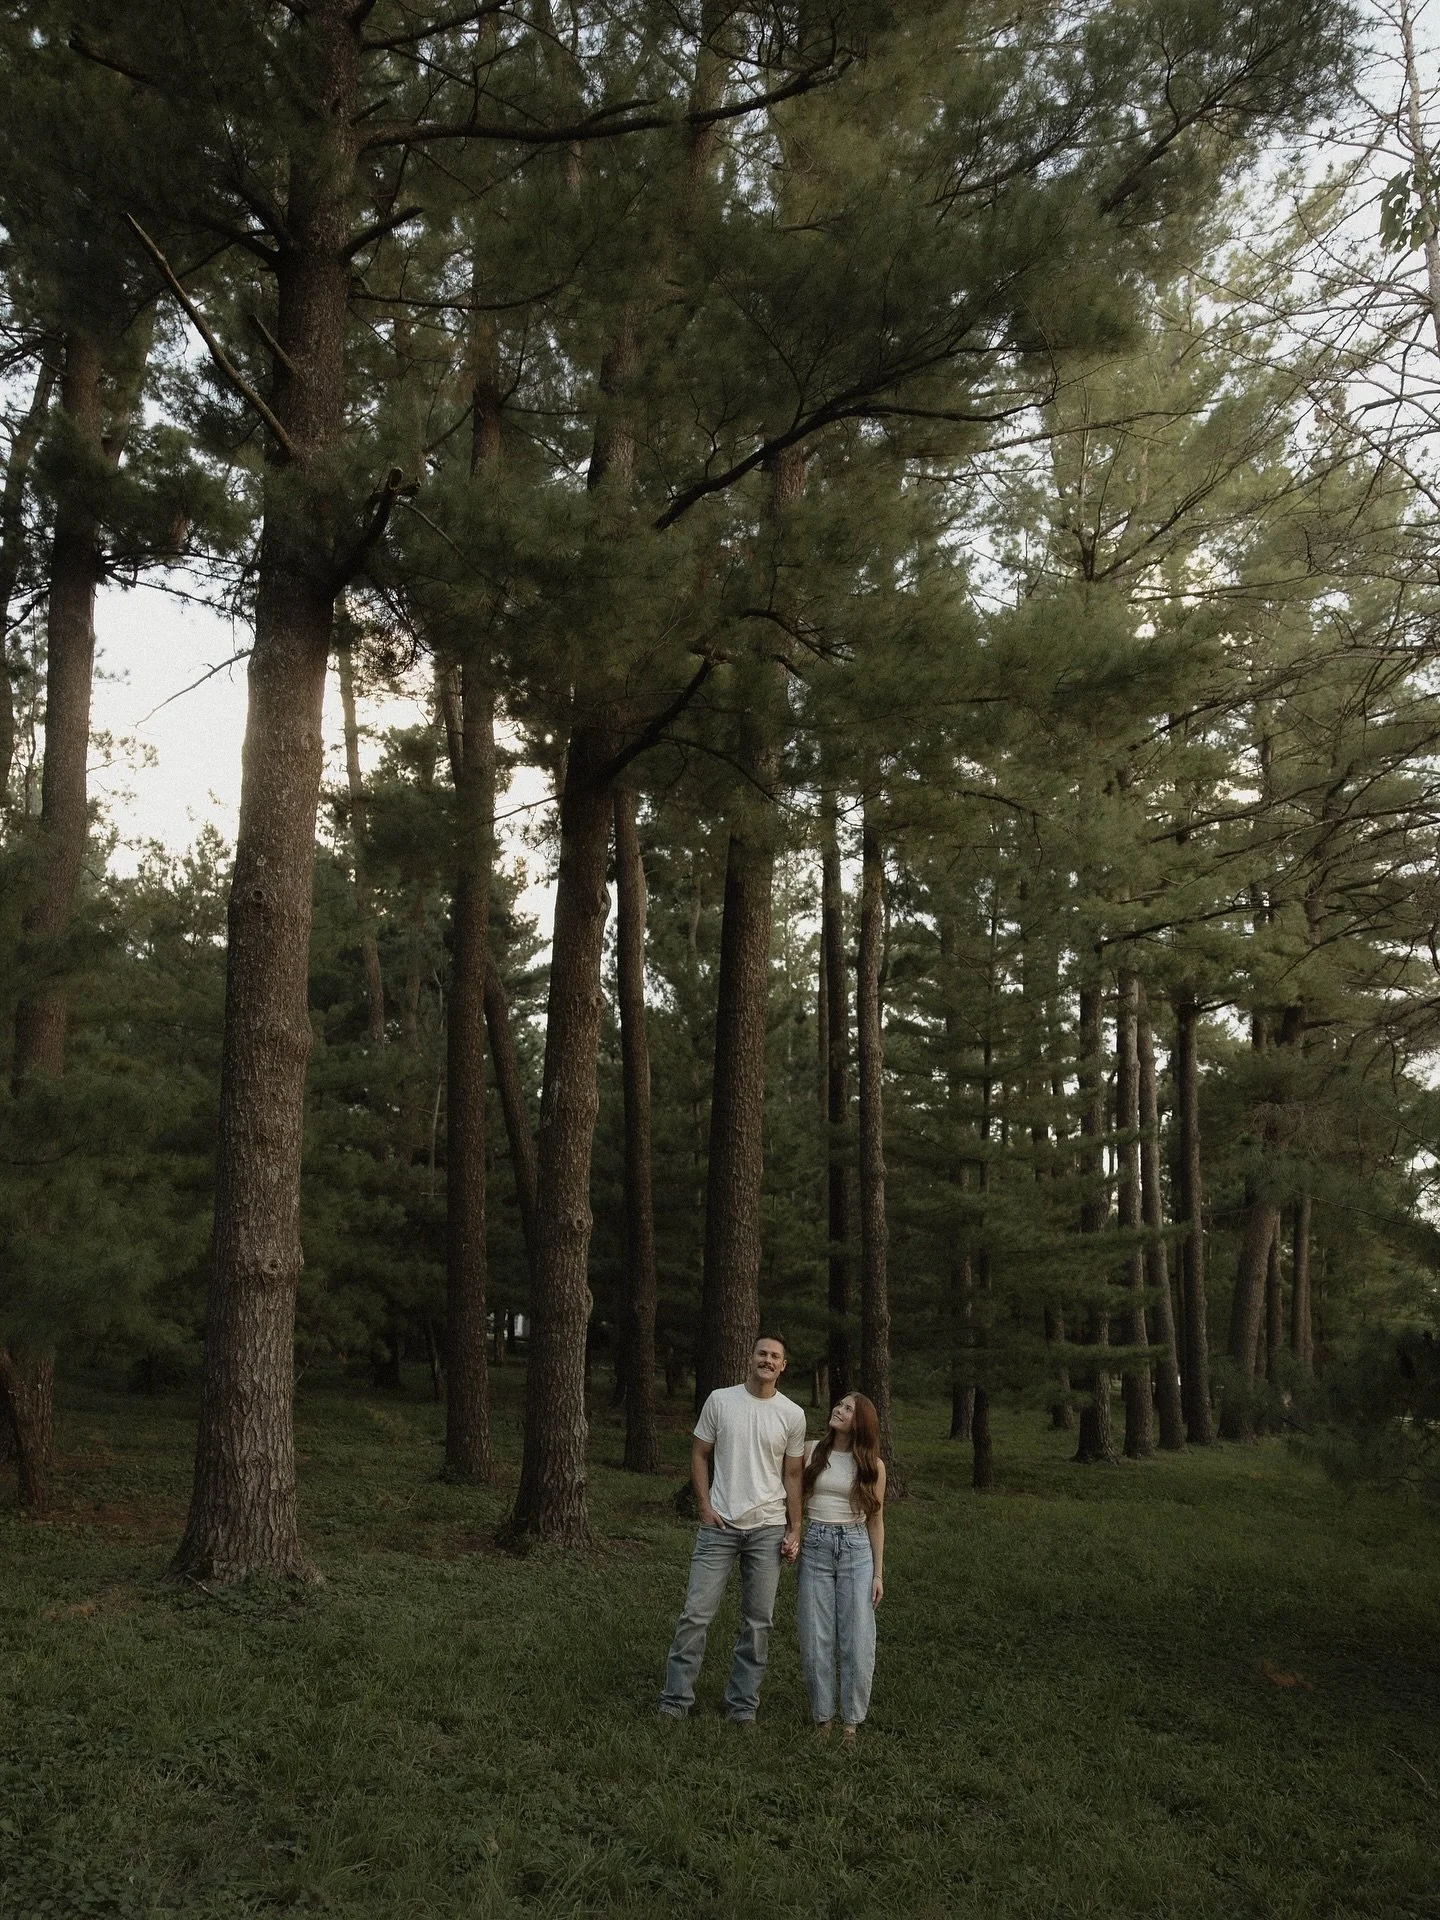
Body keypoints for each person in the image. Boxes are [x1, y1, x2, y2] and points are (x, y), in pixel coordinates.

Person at [659, 1333, 806, 1724]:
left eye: (775, 1356)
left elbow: (793, 1474)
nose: (768, 1360)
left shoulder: (792, 1414)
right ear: (751, 1357)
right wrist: (704, 1507)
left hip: (768, 1528)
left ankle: (742, 1706)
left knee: (758, 1623)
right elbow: (699, 1453)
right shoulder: (720, 1400)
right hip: (719, 1525)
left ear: (783, 1366)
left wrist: (795, 1527)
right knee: (695, 1615)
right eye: (762, 1353)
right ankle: (675, 1701)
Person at [796, 1392, 886, 1744]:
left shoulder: (873, 1467)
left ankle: (850, 1723)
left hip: (855, 1550)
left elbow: (876, 1520)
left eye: (848, 1409)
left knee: (857, 1639)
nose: (839, 1409)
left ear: (860, 1423)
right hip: (816, 1546)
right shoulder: (811, 1451)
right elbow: (793, 1494)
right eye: (840, 1404)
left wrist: (878, 1573)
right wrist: (793, 1532)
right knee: (814, 1635)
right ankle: (823, 1718)